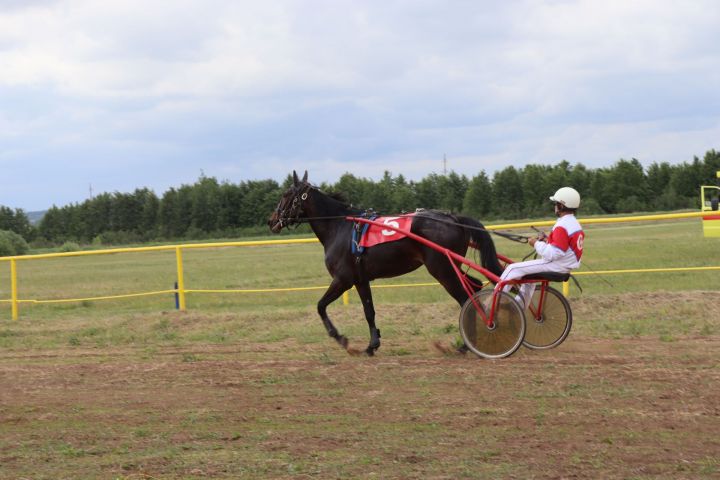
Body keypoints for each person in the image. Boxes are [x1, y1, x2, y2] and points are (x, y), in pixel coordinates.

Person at [499, 187, 584, 309]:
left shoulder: (562, 225)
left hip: (556, 265)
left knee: (512, 269)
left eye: (556, 203)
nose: (554, 206)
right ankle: (516, 309)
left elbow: (554, 253)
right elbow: (563, 246)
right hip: (564, 266)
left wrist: (535, 243)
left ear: (561, 205)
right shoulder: (574, 223)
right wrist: (546, 240)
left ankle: (492, 304)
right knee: (528, 278)